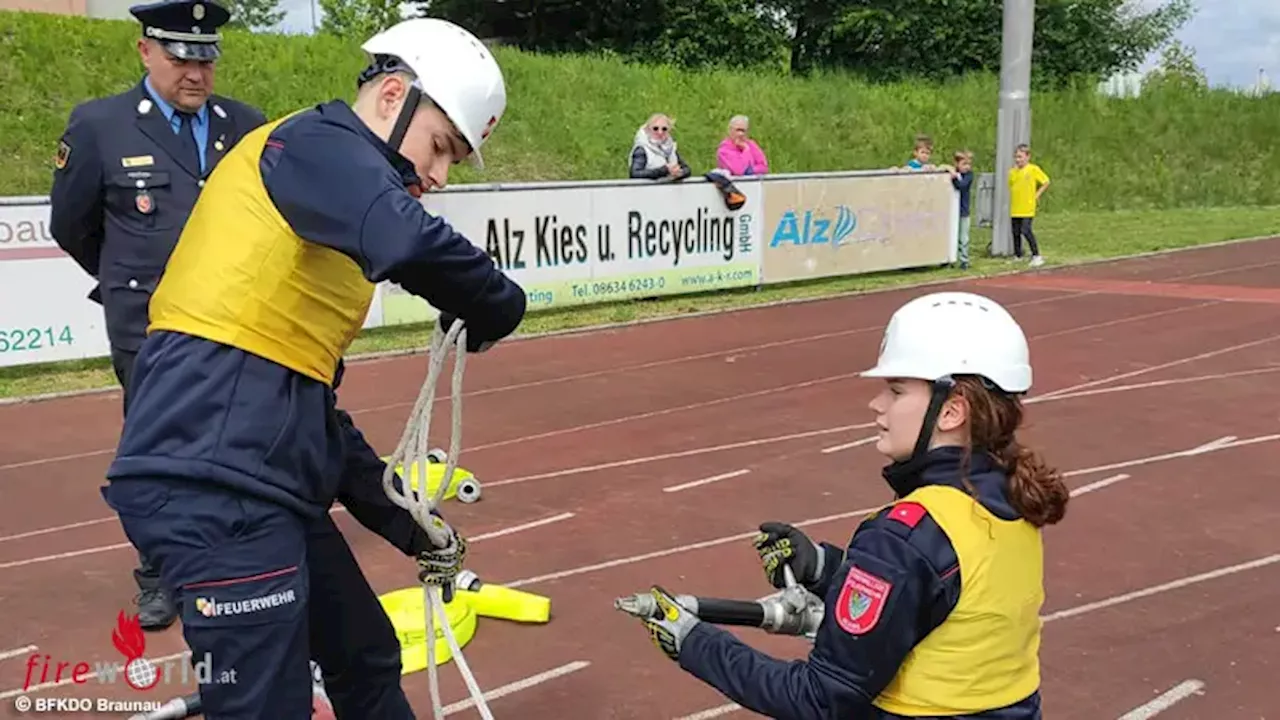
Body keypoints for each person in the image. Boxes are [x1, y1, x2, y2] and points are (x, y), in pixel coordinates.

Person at [99, 16, 526, 718]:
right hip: (212, 482)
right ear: (392, 96)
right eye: (441, 147)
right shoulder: (314, 145)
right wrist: (497, 303)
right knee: (268, 705)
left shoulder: (328, 192)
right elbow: (406, 239)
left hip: (253, 479)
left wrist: (400, 518)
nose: (439, 175)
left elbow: (303, 406)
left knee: (364, 655)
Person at [635, 291, 1071, 720]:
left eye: (896, 391)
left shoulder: (904, 535)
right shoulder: (1008, 496)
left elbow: (819, 698)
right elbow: (939, 596)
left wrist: (695, 642)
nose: (877, 404)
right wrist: (826, 569)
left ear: (951, 411)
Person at [49, 0, 269, 631]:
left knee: (236, 437)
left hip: (233, 319)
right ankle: (160, 574)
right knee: (157, 449)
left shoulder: (245, 126)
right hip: (149, 324)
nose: (195, 72)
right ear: (146, 52)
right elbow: (74, 226)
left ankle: (228, 556)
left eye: (206, 57)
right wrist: (128, 279)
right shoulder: (100, 126)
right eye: (180, 56)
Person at [1009, 143, 1050, 267]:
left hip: (1027, 206)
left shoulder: (1033, 169)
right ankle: (1018, 255)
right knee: (1015, 231)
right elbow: (1012, 186)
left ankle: (1036, 255)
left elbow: (1046, 181)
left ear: (1027, 157)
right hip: (1016, 206)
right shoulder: (1012, 172)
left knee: (1026, 230)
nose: (1018, 160)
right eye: (1016, 157)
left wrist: (1037, 195)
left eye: (1020, 157)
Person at [629, 113, 691, 181]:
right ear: (648, 130)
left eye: (664, 129)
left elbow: (687, 169)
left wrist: (679, 173)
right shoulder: (642, 149)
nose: (660, 132)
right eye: (655, 128)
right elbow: (635, 174)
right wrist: (664, 170)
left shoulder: (670, 148)